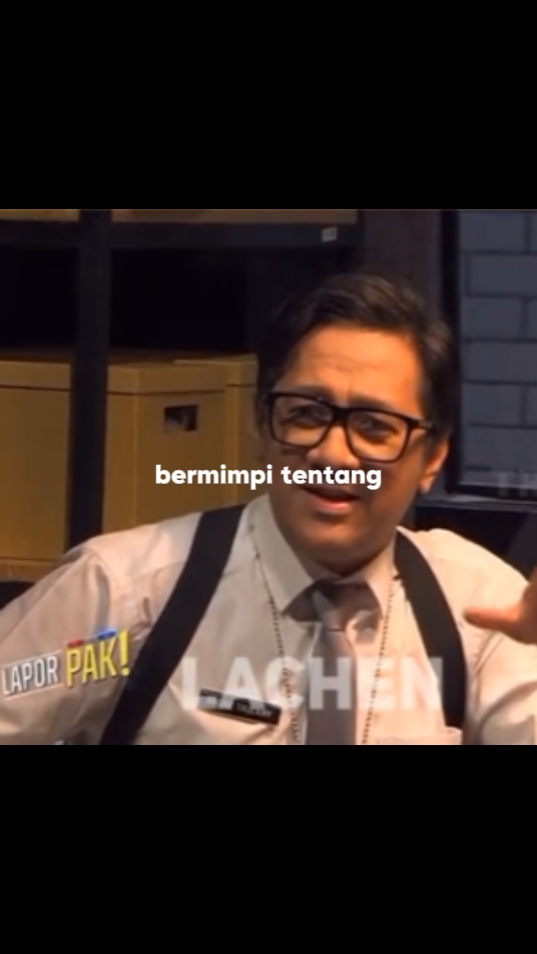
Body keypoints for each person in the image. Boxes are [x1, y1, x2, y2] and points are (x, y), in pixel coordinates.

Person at [1, 270, 536, 745]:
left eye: (374, 427)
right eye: (305, 414)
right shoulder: (126, 602)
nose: (332, 455)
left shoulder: (480, 612)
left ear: (433, 457)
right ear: (260, 423)